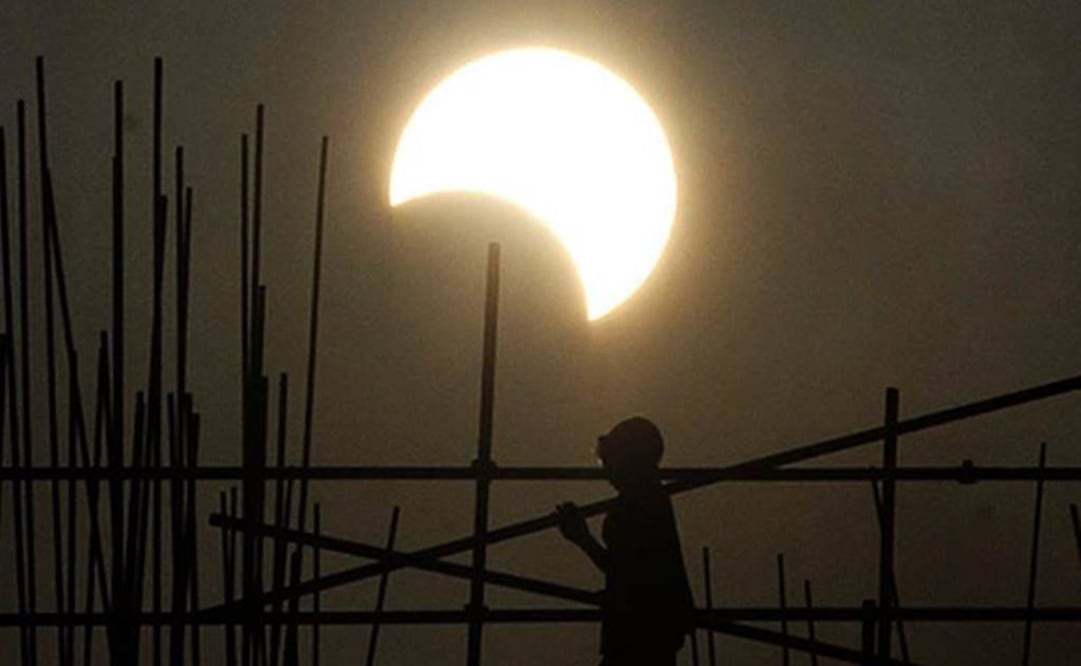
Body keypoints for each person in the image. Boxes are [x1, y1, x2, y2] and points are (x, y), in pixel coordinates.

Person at [556, 416, 694, 666]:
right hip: (649, 629)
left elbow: (626, 569)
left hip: (638, 631)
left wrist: (582, 538)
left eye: (610, 461)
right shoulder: (651, 498)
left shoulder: (638, 504)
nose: (607, 471)